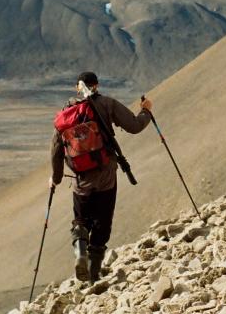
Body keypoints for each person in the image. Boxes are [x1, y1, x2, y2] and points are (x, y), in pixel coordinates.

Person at [50, 71, 153, 282]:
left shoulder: (65, 114)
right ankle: (93, 273)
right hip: (106, 174)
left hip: (81, 178)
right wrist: (146, 111)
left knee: (81, 219)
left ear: (77, 88)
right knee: (102, 221)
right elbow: (134, 126)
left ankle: (80, 252)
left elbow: (56, 150)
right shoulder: (106, 104)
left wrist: (56, 179)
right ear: (96, 85)